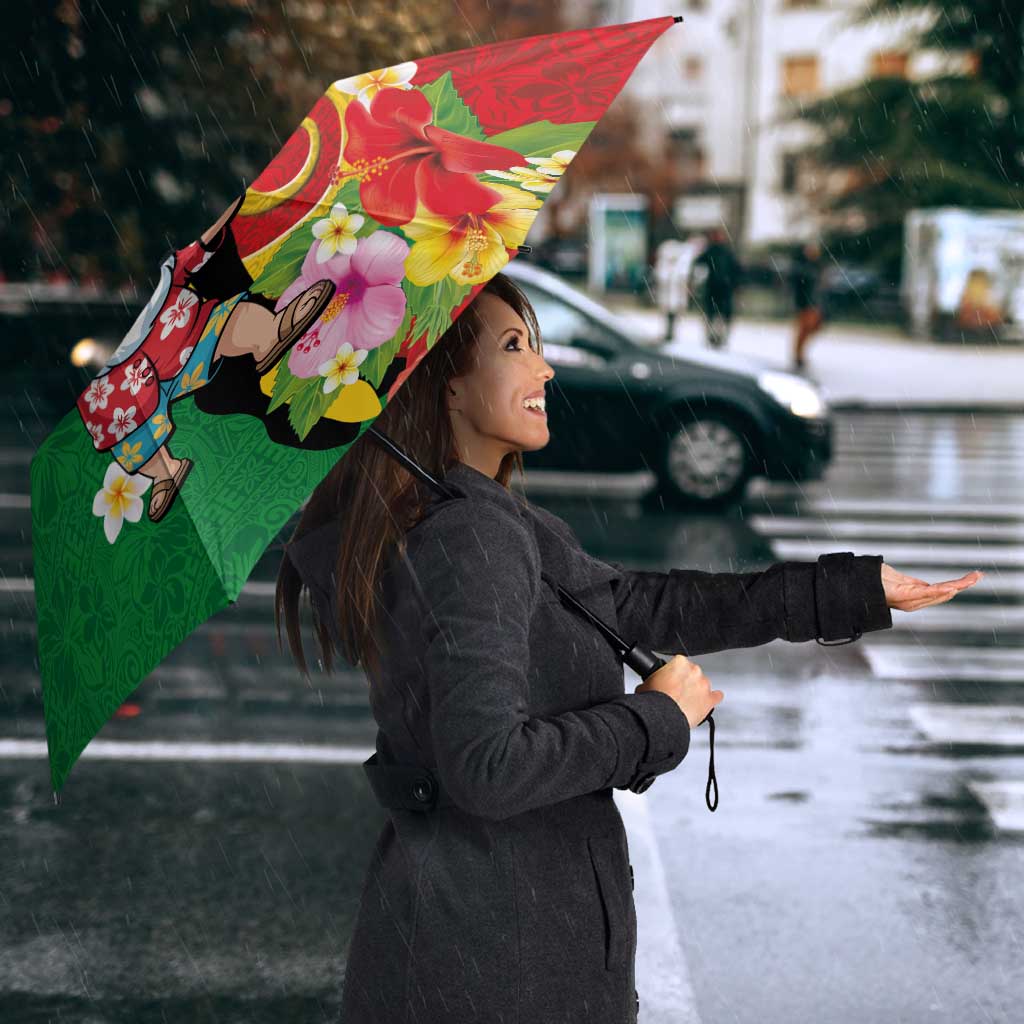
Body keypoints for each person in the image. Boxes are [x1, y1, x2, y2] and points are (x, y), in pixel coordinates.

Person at [276, 271, 979, 1024]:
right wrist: (655, 719)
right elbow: (487, 768)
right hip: (498, 962)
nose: (544, 368)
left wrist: (850, 590)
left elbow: (641, 605)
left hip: (480, 941)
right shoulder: (470, 536)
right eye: (514, 346)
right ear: (446, 385)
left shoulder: (477, 518)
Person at [692, 226, 742, 349]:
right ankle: (713, 337)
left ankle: (719, 337)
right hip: (715, 288)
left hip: (723, 288)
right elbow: (698, 264)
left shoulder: (725, 252)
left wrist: (735, 284)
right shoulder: (712, 251)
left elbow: (736, 270)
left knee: (720, 315)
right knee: (713, 314)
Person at [790, 239, 826, 371]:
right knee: (804, 329)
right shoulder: (802, 267)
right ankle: (798, 355)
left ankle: (800, 354)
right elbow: (799, 286)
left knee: (812, 328)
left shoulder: (817, 266)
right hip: (805, 303)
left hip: (814, 303)